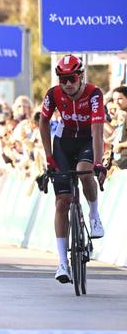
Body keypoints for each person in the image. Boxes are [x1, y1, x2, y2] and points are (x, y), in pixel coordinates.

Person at [39, 54, 106, 284]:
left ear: (81, 76)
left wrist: (98, 162)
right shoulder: (53, 94)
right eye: (63, 79)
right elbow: (43, 122)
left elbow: (98, 130)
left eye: (72, 78)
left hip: (88, 140)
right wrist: (48, 156)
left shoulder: (94, 94)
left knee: (85, 171)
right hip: (63, 143)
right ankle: (61, 263)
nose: (68, 83)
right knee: (62, 202)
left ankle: (94, 216)